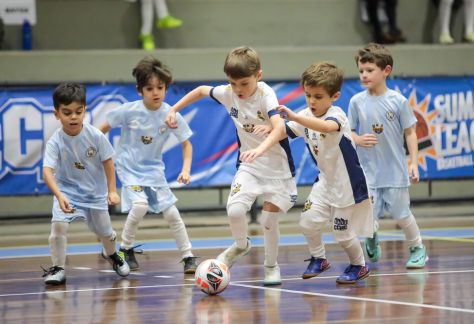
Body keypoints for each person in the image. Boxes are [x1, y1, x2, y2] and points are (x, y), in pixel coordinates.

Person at [165, 46, 297, 286]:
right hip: (249, 166)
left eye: (244, 84)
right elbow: (201, 90)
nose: (238, 90)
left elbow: (279, 127)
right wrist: (173, 108)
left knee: (268, 221)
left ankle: (271, 266)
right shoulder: (228, 93)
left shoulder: (266, 95)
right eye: (233, 83)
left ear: (258, 75)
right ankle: (241, 245)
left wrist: (260, 148)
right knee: (235, 210)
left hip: (278, 170)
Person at [99, 56, 198, 273]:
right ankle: (125, 249)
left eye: (160, 87)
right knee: (140, 206)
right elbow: (100, 130)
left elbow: (187, 144)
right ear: (139, 90)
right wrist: (94, 152)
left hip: (154, 171)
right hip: (128, 169)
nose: (156, 92)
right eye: (150, 88)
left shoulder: (170, 114)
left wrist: (186, 170)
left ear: (166, 88)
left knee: (172, 214)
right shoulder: (128, 111)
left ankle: (188, 256)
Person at [277, 62, 373, 284]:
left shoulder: (336, 115)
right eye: (308, 95)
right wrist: (266, 132)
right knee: (307, 222)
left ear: (335, 96)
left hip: (347, 185)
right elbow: (283, 130)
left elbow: (326, 127)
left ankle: (359, 265)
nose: (311, 101)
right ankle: (319, 259)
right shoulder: (305, 115)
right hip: (325, 182)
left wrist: (295, 117)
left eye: (318, 96)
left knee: (342, 234)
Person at [348, 43, 428, 269]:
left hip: (394, 170)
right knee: (367, 216)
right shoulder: (356, 102)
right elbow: (348, 131)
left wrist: (413, 162)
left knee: (402, 215)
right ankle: (372, 236)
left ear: (386, 70)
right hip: (367, 171)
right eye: (361, 70)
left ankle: (418, 248)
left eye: (370, 70)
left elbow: (410, 132)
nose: (364, 75)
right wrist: (358, 139)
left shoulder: (398, 101)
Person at [42, 82, 130, 285]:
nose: (73, 117)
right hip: (67, 192)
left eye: (78, 111)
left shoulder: (95, 136)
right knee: (58, 227)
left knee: (105, 233)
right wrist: (60, 195)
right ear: (57, 114)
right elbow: (47, 172)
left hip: (95, 194)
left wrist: (112, 190)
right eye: (67, 112)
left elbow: (108, 162)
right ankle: (58, 268)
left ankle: (112, 254)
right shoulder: (55, 141)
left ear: (84, 111)